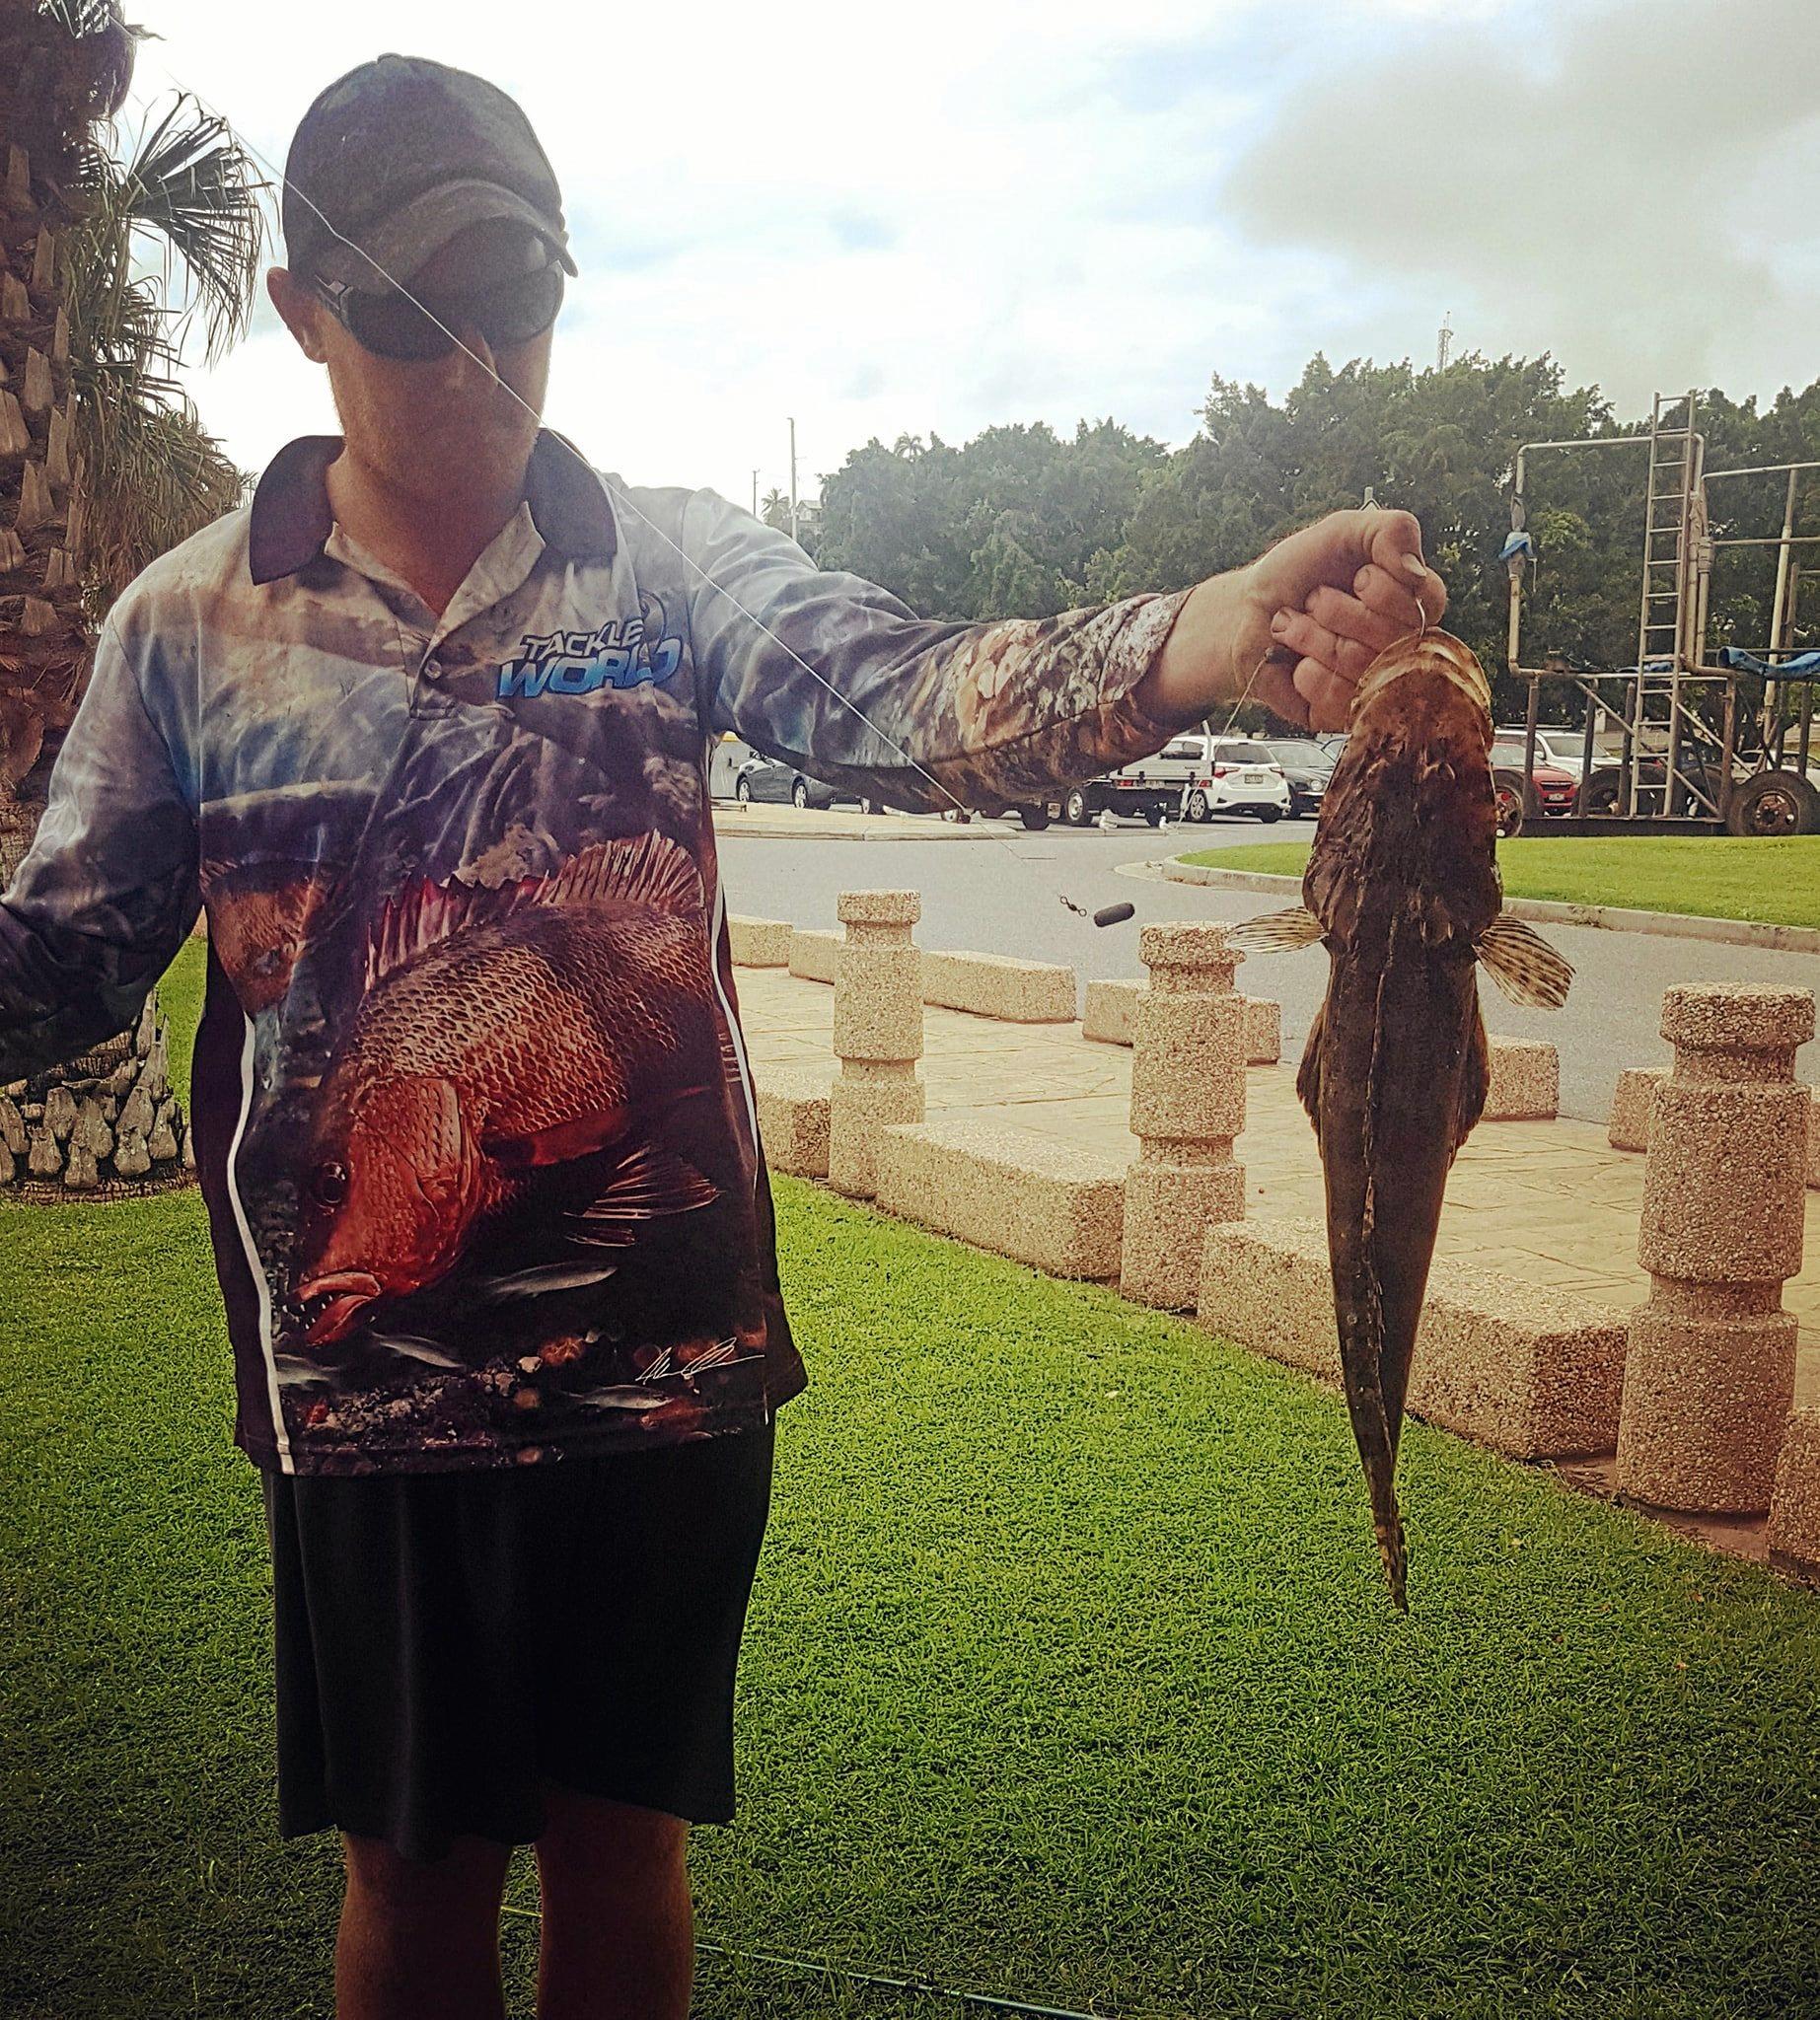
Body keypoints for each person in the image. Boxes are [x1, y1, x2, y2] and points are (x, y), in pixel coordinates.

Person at [0, 51, 1447, 2020]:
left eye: (519, 303)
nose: (482, 364)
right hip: (370, 1379)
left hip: (663, 1361)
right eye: (417, 317)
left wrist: (1216, 629)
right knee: (413, 1886)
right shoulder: (190, 625)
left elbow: (904, 689)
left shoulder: (665, 566)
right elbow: (65, 957)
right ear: (303, 317)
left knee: (623, 1851)